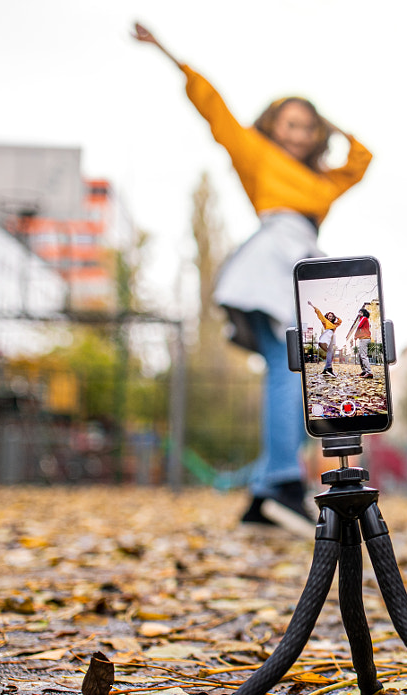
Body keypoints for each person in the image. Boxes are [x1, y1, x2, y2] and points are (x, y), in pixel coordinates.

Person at [133, 23, 372, 535]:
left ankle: (264, 493)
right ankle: (284, 482)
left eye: (308, 126)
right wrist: (168, 54)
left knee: (295, 372)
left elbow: (361, 160)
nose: (299, 133)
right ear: (271, 126)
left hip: (304, 265)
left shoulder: (323, 181)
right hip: (270, 263)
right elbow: (213, 107)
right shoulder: (256, 154)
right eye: (289, 123)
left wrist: (323, 117)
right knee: (292, 372)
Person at [307, 301, 341, 376]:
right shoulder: (325, 321)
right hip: (328, 334)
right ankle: (328, 368)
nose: (330, 317)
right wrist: (312, 306)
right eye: (329, 316)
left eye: (331, 316)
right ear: (327, 316)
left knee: (330, 352)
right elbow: (319, 313)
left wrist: (336, 317)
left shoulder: (334, 324)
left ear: (333, 317)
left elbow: (340, 321)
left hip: (332, 336)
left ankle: (327, 369)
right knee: (329, 351)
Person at [354, 307, 374, 378]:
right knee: (360, 355)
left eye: (360, 312)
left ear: (363, 313)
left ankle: (369, 372)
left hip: (365, 338)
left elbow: (359, 326)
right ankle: (364, 371)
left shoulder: (364, 318)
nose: (359, 314)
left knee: (363, 355)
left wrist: (360, 318)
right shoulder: (362, 319)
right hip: (362, 338)